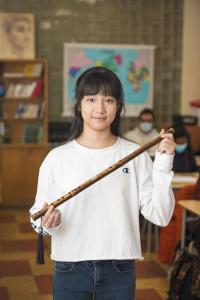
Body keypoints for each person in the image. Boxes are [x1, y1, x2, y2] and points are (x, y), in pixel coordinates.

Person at [30, 66, 176, 300]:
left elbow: (161, 215)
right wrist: (49, 223)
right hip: (69, 267)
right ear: (79, 104)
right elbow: (37, 217)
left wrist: (163, 163)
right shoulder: (57, 158)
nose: (99, 108)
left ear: (118, 106)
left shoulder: (135, 154)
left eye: (108, 99)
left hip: (120, 268)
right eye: (91, 99)